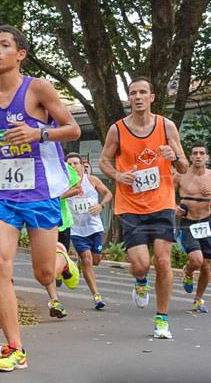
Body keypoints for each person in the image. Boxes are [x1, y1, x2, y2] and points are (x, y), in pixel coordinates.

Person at [0, 25, 81, 371]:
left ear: (21, 54)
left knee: (45, 276)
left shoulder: (38, 89)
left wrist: (39, 132)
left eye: (4, 45)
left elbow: (73, 130)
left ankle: (61, 259)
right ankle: (16, 348)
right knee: (1, 264)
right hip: (4, 192)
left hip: (41, 192)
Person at [99, 77, 187, 340]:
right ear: (129, 98)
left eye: (142, 92)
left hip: (161, 202)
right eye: (132, 93)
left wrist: (175, 158)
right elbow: (104, 161)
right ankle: (140, 281)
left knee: (162, 260)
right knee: (140, 264)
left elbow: (183, 165)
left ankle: (161, 319)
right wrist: (118, 176)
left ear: (152, 97)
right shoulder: (117, 129)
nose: (137, 97)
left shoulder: (165, 125)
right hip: (130, 205)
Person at [174, 145, 211, 313]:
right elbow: (166, 195)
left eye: (202, 153)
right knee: (196, 260)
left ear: (207, 157)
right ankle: (188, 271)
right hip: (187, 222)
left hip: (205, 223)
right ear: (190, 157)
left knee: (206, 265)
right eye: (195, 153)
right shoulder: (180, 176)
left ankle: (198, 299)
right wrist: (174, 207)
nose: (198, 156)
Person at [66, 152, 113, 309]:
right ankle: (96, 296)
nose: (73, 166)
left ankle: (83, 263)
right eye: (69, 164)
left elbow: (108, 193)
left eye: (75, 163)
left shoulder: (92, 180)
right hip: (76, 229)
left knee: (95, 260)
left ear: (81, 166)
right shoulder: (64, 183)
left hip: (94, 227)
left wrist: (101, 205)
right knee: (87, 259)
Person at [54, 161, 82, 295]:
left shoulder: (62, 165)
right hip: (42, 220)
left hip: (62, 220)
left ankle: (63, 267)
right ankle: (59, 271)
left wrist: (57, 197)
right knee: (47, 257)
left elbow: (77, 188)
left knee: (60, 253)